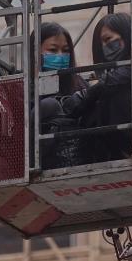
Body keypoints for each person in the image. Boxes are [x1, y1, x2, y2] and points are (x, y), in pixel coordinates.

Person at [62, 13, 132, 163]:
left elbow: (122, 77)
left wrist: (89, 94)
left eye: (108, 39)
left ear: (128, 36)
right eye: (101, 43)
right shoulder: (107, 78)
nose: (105, 47)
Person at [34, 22, 88, 169]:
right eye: (53, 50)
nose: (60, 56)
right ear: (35, 52)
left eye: (65, 50)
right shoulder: (25, 87)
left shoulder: (79, 83)